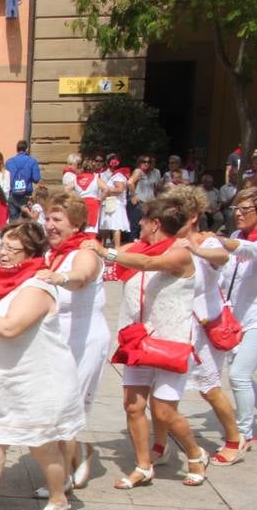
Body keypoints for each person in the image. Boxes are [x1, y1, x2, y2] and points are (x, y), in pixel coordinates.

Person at [0, 221, 85, 510]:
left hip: (39, 380)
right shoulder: (3, 281)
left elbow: (11, 328)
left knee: (41, 445)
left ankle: (59, 498)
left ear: (31, 253)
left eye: (13, 249)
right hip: (6, 378)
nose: (4, 254)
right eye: (3, 246)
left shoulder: (36, 287)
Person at [86, 200, 208, 489]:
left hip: (171, 342)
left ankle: (194, 454)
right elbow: (110, 264)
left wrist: (107, 251)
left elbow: (150, 263)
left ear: (155, 223)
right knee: (133, 406)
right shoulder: (136, 249)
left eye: (142, 221)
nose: (138, 225)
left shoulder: (180, 252)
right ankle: (143, 465)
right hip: (137, 340)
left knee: (164, 412)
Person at [194, 187, 257, 445]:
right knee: (240, 373)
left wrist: (218, 241)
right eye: (236, 208)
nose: (237, 214)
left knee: (238, 375)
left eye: (244, 209)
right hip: (238, 317)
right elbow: (227, 272)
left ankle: (243, 433)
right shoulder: (237, 234)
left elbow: (251, 251)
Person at [161, 186, 244, 465]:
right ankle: (160, 446)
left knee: (209, 387)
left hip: (205, 327)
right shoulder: (169, 241)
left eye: (179, 215)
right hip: (177, 325)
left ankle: (235, 438)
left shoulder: (207, 242)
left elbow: (222, 257)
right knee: (163, 389)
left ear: (194, 216)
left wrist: (195, 248)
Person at [34, 194, 107, 492]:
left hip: (83, 338)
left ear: (76, 223)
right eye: (48, 219)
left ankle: (62, 478)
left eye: (57, 220)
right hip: (53, 339)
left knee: (66, 408)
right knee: (51, 407)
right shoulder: (49, 252)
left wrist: (60, 277)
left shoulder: (84, 250)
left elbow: (83, 277)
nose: (49, 225)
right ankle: (77, 455)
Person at [63, 153, 103, 236]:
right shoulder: (95, 178)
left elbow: (66, 189)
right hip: (92, 202)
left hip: (82, 202)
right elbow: (107, 189)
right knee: (91, 227)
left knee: (82, 226)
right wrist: (100, 198)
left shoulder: (77, 178)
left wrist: (74, 198)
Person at [5, 140, 41, 220]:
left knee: (13, 223)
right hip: (26, 196)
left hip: (13, 195)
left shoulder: (9, 162)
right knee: (26, 224)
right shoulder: (32, 161)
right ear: (27, 149)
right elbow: (36, 179)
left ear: (17, 149)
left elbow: (6, 179)